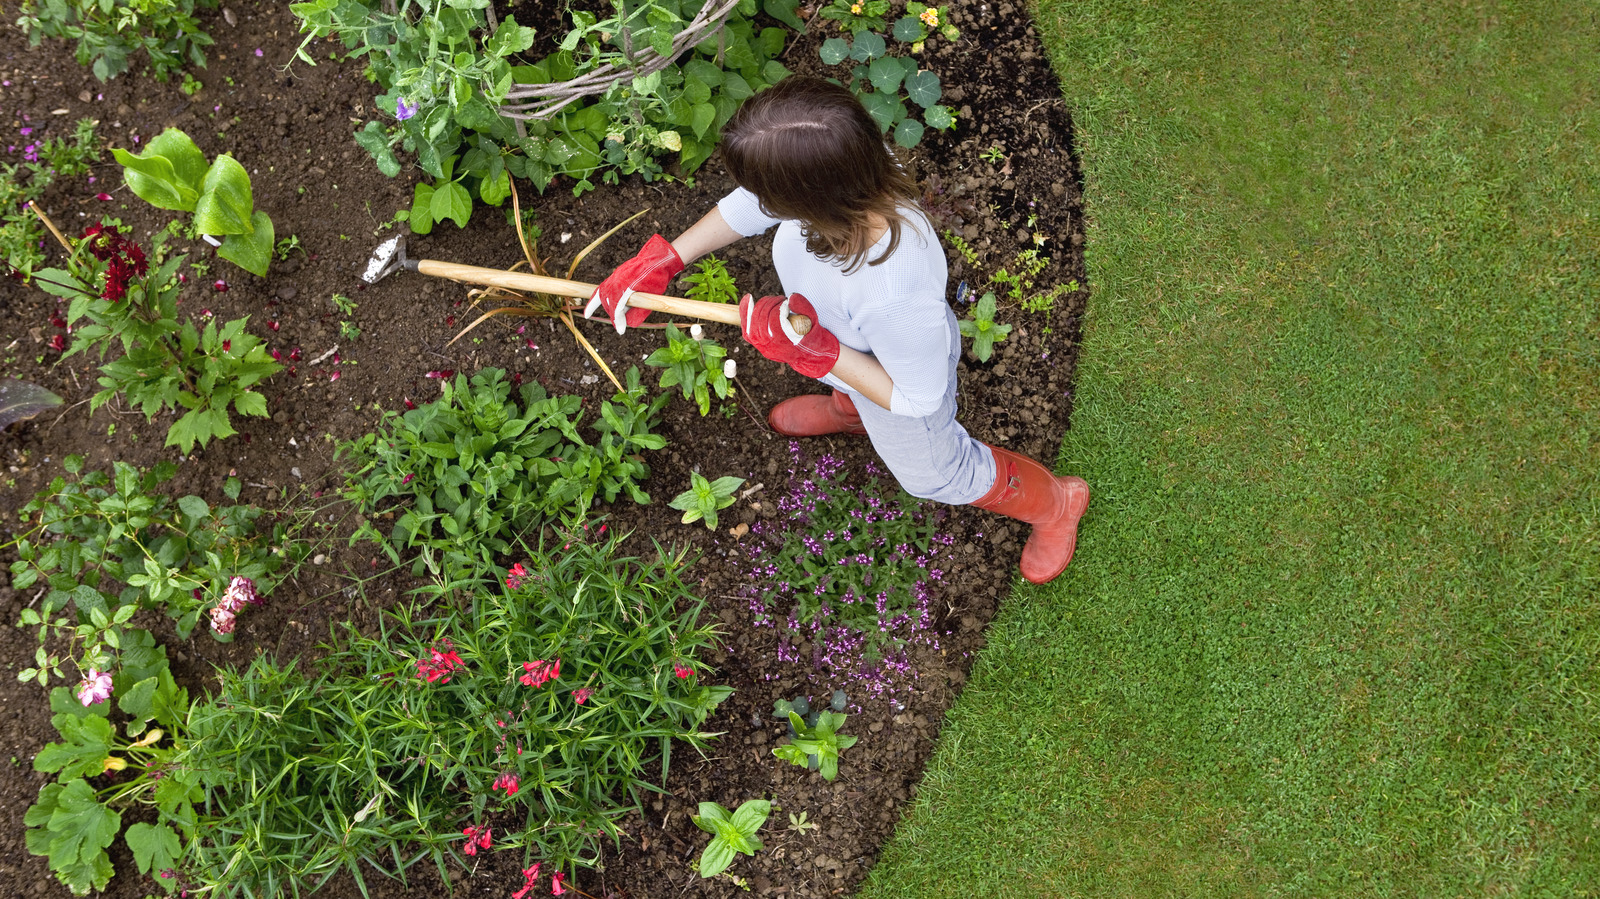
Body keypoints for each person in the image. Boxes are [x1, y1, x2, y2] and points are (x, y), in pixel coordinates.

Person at [584, 76, 1089, 584]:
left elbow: (918, 398)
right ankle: (851, 410)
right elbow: (752, 205)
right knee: (852, 383)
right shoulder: (849, 165)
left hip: (901, 386)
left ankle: (1055, 505)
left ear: (809, 199)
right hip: (852, 349)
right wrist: (670, 257)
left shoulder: (894, 290)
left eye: (767, 192)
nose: (758, 201)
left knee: (936, 476)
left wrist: (817, 352)